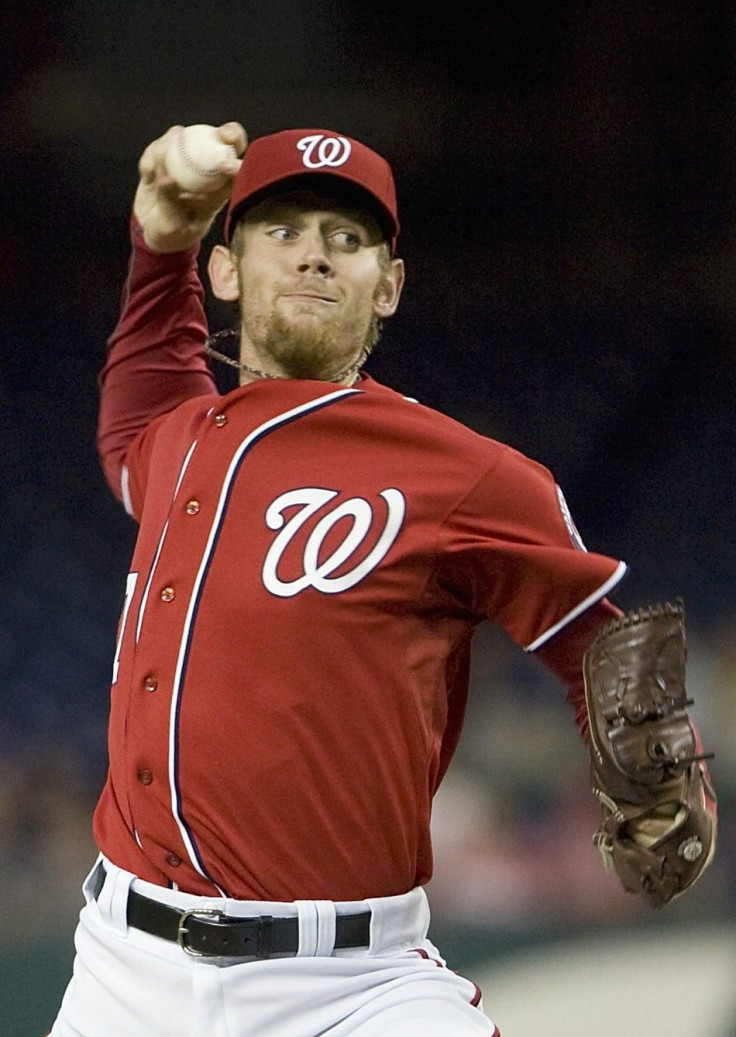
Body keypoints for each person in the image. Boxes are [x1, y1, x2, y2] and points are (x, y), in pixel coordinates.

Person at [49, 121, 715, 1036]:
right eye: (283, 231)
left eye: (347, 239)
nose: (316, 256)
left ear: (388, 286)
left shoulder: (465, 473)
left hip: (351, 987)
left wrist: (671, 781)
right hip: (124, 972)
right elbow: (138, 400)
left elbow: (598, 635)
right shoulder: (180, 444)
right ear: (228, 272)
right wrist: (159, 242)